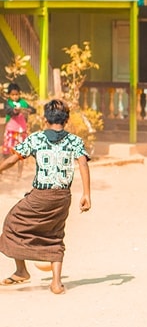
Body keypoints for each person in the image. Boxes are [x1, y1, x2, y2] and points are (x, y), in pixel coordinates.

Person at [0, 99, 91, 295]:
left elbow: (14, 158)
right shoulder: (74, 140)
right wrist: (86, 194)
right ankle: (56, 284)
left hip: (41, 196)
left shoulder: (36, 138)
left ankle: (21, 270)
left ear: (45, 119)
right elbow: (83, 164)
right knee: (55, 233)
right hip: (63, 197)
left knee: (13, 222)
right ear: (66, 120)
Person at [2, 84, 31, 179]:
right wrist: (17, 111)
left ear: (19, 94)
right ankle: (1, 170)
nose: (15, 96)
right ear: (9, 95)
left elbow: (32, 110)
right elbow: (9, 111)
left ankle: (19, 175)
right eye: (13, 95)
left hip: (21, 131)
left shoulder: (23, 103)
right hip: (11, 131)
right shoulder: (8, 103)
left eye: (16, 94)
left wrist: (27, 110)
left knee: (20, 155)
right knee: (6, 153)